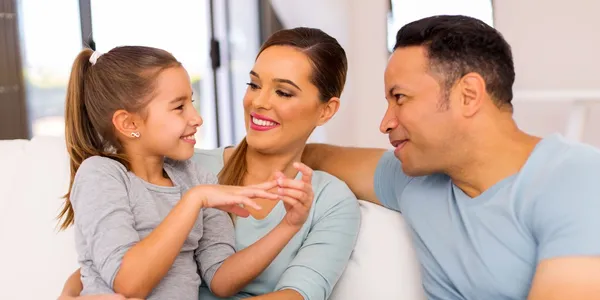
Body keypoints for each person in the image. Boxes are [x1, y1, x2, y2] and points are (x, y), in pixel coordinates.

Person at [299, 15, 600, 300]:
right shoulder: (413, 181)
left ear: (468, 95)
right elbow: (314, 156)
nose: (386, 122)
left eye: (400, 98)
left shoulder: (576, 178)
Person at [60, 27, 361, 300]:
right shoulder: (184, 172)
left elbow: (224, 278)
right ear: (128, 122)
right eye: (254, 85)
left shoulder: (197, 177)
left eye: (283, 92)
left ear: (326, 110)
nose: (258, 102)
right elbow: (106, 270)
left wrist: (289, 225)